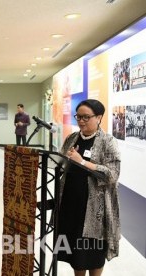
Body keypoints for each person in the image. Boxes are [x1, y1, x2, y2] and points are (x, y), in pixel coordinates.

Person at [58, 99, 121, 276]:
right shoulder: (72, 138)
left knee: (92, 254)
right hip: (71, 204)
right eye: (78, 116)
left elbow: (112, 175)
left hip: (94, 210)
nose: (81, 121)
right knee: (76, 255)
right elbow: (62, 163)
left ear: (99, 117)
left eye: (86, 117)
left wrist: (83, 162)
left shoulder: (108, 142)